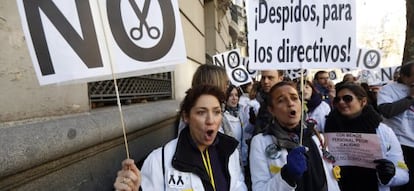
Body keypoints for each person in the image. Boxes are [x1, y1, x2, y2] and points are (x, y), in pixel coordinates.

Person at [114, 85, 248, 191]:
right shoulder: (158, 160)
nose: (210, 120)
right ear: (186, 117)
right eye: (201, 112)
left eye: (216, 112)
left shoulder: (230, 152)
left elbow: (237, 185)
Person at [249, 81, 340, 191]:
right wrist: (287, 176)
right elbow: (259, 188)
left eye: (294, 98)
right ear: (271, 110)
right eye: (281, 100)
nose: (290, 103)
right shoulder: (260, 142)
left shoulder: (317, 137)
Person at [325, 83, 409, 191]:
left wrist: (391, 173)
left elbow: (404, 174)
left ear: (363, 101)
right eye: (337, 100)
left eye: (347, 98)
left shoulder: (383, 131)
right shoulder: (327, 127)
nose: (341, 102)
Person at [377, 61, 414, 191]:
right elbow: (387, 111)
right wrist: (411, 98)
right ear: (404, 76)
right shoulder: (388, 90)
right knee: (399, 182)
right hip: (400, 145)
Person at [177, 64, 230, 135]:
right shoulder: (191, 109)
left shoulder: (221, 107)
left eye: (216, 112)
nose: (227, 86)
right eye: (226, 82)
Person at [223, 85, 250, 169]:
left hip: (240, 161)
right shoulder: (222, 117)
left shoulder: (241, 114)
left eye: (236, 95)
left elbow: (244, 137)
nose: (234, 98)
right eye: (231, 95)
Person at [252, 70, 284, 134]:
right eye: (263, 78)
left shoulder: (290, 102)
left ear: (280, 79)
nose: (266, 81)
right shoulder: (262, 101)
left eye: (270, 78)